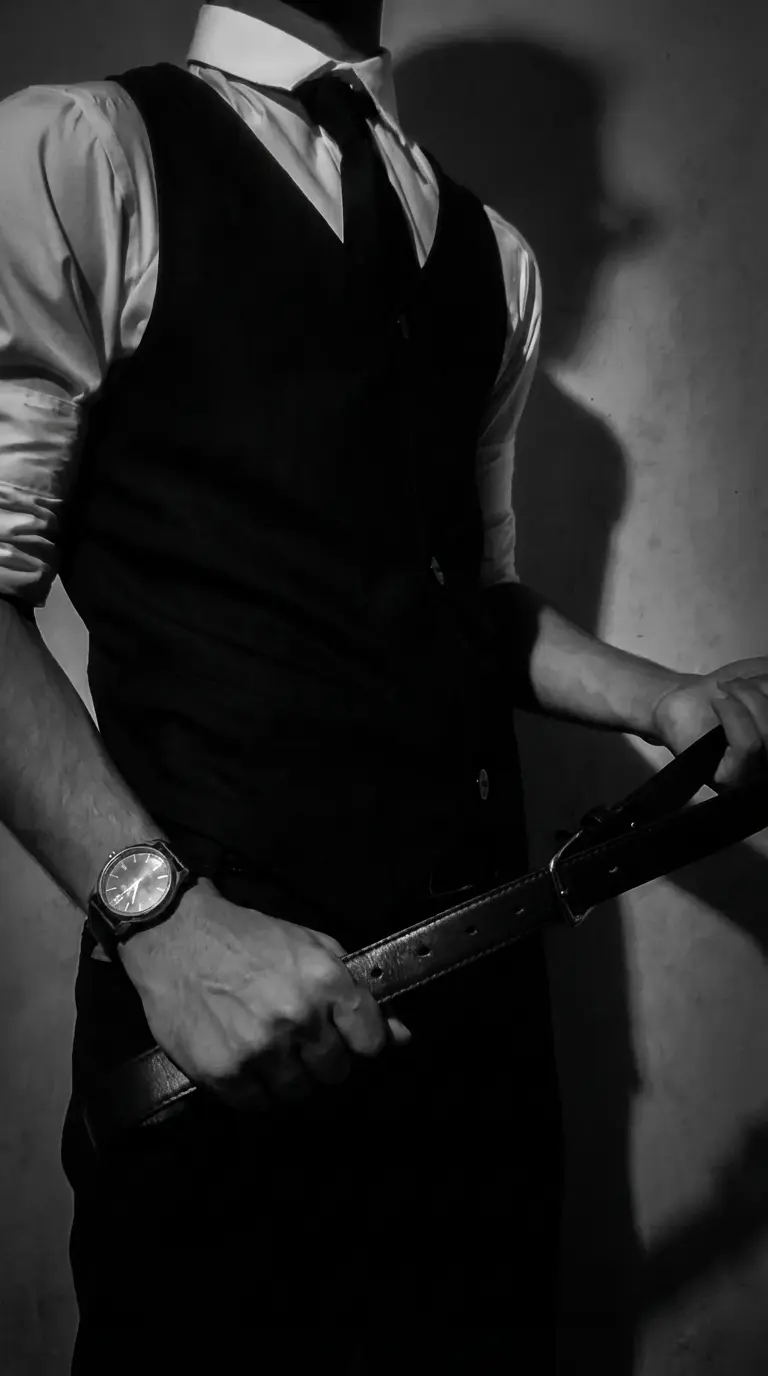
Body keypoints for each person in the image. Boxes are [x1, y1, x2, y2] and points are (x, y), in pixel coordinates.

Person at [0, 1, 766, 1371]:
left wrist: (665, 697)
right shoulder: (81, 153)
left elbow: (459, 605)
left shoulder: (493, 257)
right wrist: (163, 926)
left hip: (485, 1073)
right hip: (227, 1064)